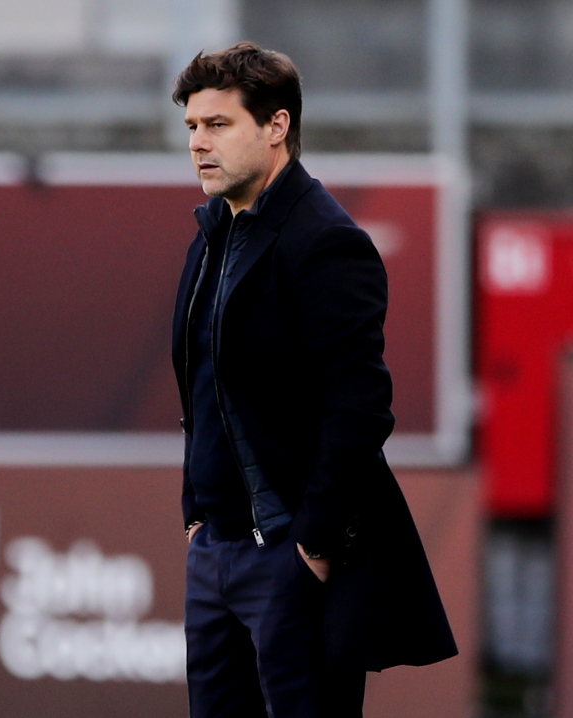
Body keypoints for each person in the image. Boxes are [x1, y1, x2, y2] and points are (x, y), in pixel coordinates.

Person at [171, 42, 457, 718]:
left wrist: (313, 545)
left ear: (276, 127)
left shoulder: (324, 239)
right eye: (191, 128)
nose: (198, 144)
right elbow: (203, 389)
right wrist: (194, 514)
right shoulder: (211, 235)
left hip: (288, 559)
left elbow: (360, 405)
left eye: (218, 125)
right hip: (214, 550)